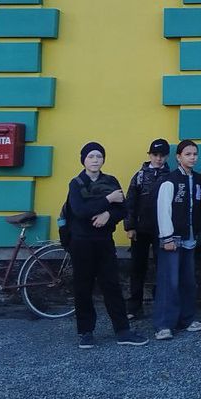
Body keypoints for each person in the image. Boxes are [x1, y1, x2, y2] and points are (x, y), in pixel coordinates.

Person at [67, 141, 147, 348]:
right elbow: (80, 211)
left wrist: (108, 215)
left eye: (99, 156)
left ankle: (122, 330)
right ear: (83, 160)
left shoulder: (111, 181)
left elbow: (123, 209)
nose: (95, 160)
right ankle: (86, 332)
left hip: (104, 242)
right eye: (91, 156)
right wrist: (108, 200)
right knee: (83, 287)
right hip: (81, 242)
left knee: (112, 286)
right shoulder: (76, 183)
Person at [154, 139, 201, 340]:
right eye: (188, 154)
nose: (192, 158)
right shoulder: (169, 180)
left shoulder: (198, 179)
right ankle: (164, 324)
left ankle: (187, 318)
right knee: (170, 281)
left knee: (188, 281)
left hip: (190, 237)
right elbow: (163, 210)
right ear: (178, 157)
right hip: (172, 239)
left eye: (195, 154)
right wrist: (167, 237)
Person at [123, 137, 170, 320]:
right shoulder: (140, 176)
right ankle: (134, 307)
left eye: (162, 155)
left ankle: (161, 305)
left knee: (162, 268)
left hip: (162, 230)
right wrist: (130, 226)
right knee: (137, 268)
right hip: (140, 229)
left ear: (167, 156)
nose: (158, 158)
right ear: (149, 155)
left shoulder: (170, 176)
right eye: (155, 155)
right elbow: (130, 202)